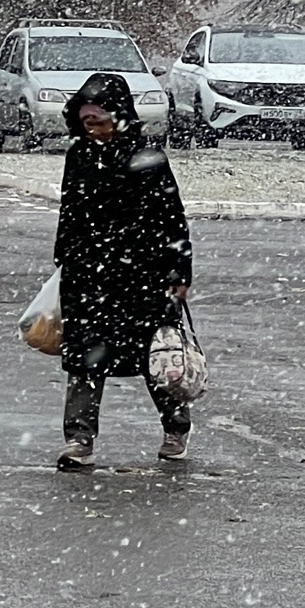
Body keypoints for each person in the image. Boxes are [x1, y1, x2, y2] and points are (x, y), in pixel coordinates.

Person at [51, 70, 194, 470]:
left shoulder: (148, 158)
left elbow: (172, 218)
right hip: (87, 276)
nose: (91, 127)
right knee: (85, 359)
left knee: (157, 356)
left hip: (143, 277)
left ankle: (176, 428)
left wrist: (180, 273)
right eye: (85, 120)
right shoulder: (79, 155)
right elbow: (70, 212)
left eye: (97, 119)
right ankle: (79, 440)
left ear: (118, 115)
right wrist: (63, 260)